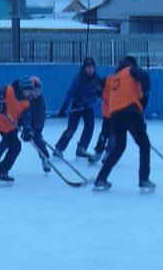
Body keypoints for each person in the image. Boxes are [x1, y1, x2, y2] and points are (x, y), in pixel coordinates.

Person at [93, 56, 153, 192]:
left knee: (119, 147)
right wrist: (146, 90)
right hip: (130, 111)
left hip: (115, 114)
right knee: (144, 145)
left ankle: (101, 178)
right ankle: (144, 179)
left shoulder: (115, 78)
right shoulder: (131, 70)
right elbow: (145, 76)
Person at [0, 76, 51, 173]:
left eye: (39, 90)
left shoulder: (40, 101)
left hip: (31, 121)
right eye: (34, 90)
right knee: (8, 140)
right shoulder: (24, 96)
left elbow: (41, 116)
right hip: (18, 120)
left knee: (37, 138)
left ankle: (45, 158)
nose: (36, 93)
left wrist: (37, 129)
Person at [53, 57, 102, 159]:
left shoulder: (97, 79)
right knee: (71, 128)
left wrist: (100, 93)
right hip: (78, 106)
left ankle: (82, 148)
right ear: (84, 68)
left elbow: (101, 91)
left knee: (90, 127)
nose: (90, 69)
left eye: (92, 67)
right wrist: (64, 107)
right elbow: (70, 94)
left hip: (88, 107)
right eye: (88, 67)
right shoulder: (79, 79)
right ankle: (59, 148)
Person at [88, 74, 116, 164]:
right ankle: (99, 151)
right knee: (104, 133)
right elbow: (97, 83)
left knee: (113, 134)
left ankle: (109, 153)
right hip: (107, 113)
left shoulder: (128, 83)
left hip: (118, 114)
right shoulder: (108, 79)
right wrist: (98, 89)